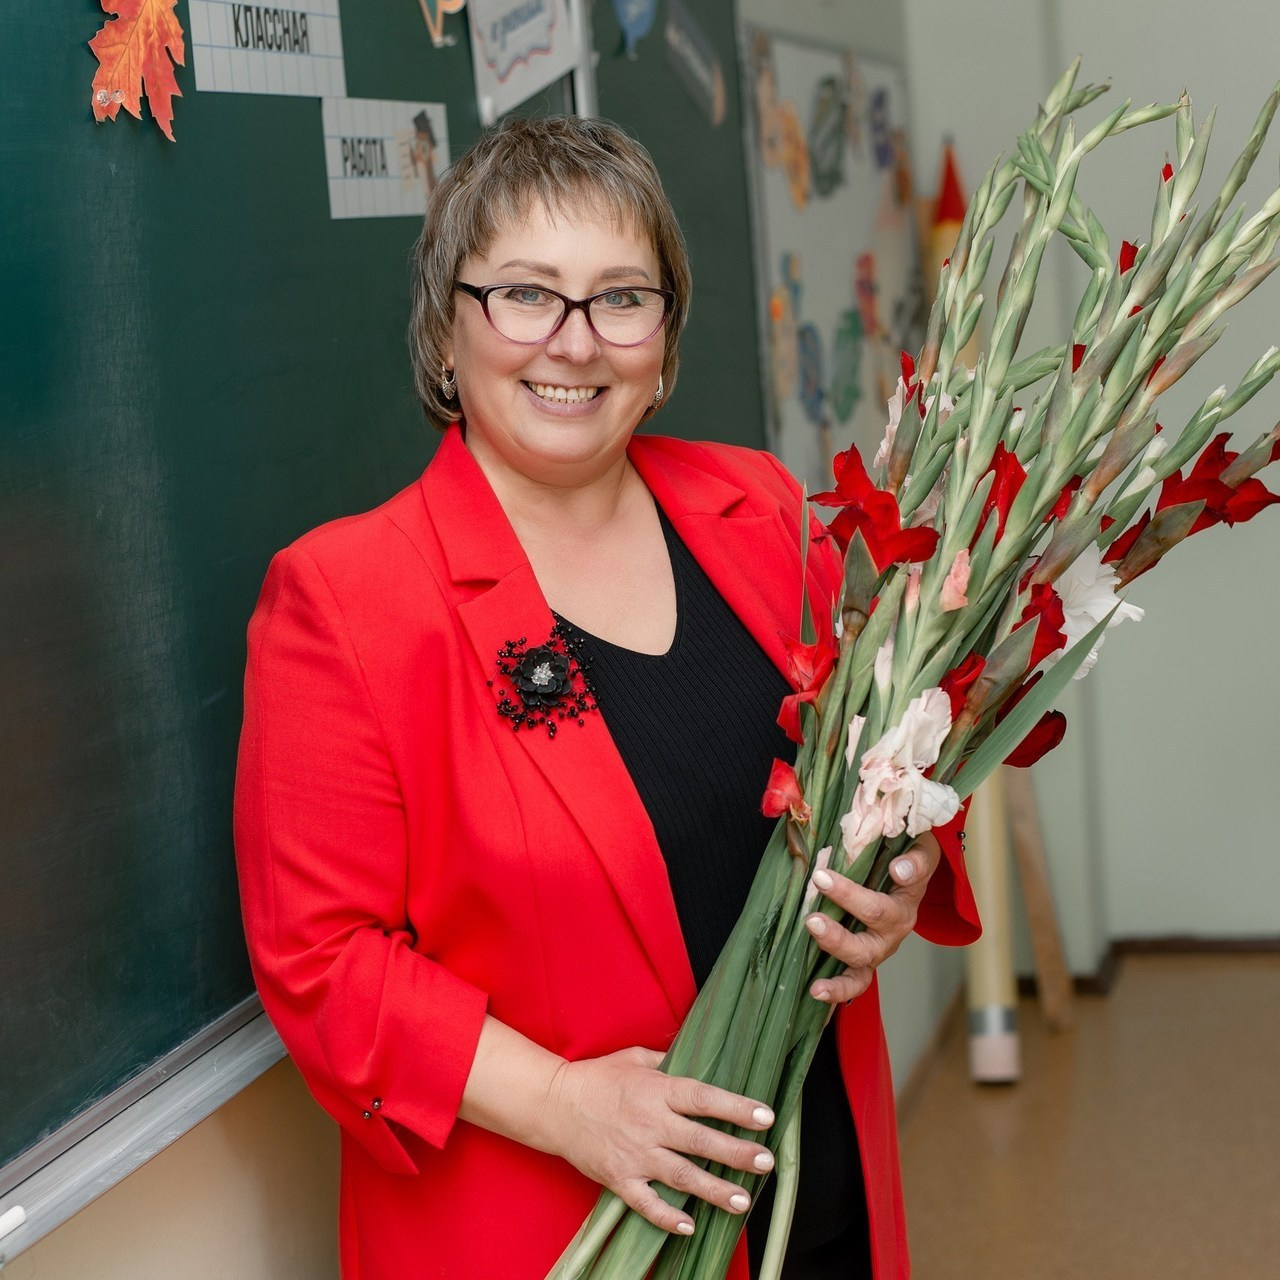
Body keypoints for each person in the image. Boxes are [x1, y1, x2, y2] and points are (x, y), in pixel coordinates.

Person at [234, 114, 980, 1280]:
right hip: (554, 1225)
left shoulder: (760, 510)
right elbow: (324, 964)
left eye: (621, 297)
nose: (575, 343)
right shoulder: (345, 598)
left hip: (816, 1192)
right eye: (526, 294)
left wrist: (908, 868)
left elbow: (886, 747)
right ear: (446, 324)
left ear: (665, 337)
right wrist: (567, 1104)